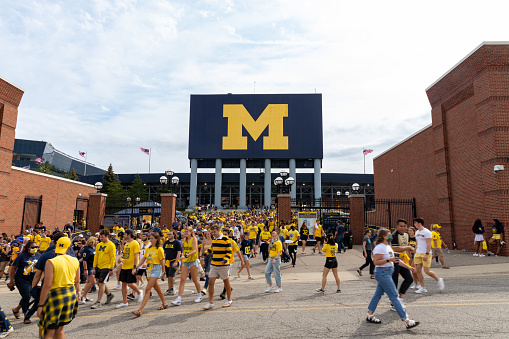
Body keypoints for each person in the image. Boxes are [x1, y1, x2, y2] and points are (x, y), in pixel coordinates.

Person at [365, 228, 419, 329]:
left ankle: (370, 315)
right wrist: (388, 259)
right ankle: (406, 320)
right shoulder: (380, 247)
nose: (391, 236)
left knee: (378, 294)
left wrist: (409, 267)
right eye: (389, 234)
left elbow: (396, 260)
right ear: (384, 236)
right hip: (382, 273)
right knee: (394, 296)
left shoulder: (388, 247)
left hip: (387, 273)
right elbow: (376, 262)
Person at [37, 236, 80, 339]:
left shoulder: (51, 262)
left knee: (49, 330)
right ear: (69, 246)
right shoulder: (75, 260)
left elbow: (47, 285)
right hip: (70, 294)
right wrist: (78, 293)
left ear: (55, 245)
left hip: (56, 296)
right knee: (60, 328)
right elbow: (77, 281)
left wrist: (40, 305)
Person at [132, 233, 167, 317]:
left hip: (156, 268)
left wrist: (164, 272)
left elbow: (162, 261)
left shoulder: (159, 249)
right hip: (149, 268)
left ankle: (140, 310)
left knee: (148, 289)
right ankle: (165, 303)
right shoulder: (148, 248)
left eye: (152, 238)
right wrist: (136, 267)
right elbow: (143, 259)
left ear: (156, 239)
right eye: (150, 238)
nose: (150, 240)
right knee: (157, 288)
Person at [7, 240, 41, 324]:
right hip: (21, 279)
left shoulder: (39, 255)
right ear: (28, 248)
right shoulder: (22, 256)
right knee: (26, 296)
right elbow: (13, 268)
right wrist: (11, 281)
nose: (35, 249)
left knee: (28, 297)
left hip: (33, 280)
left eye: (36, 247)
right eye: (33, 247)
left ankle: (16, 309)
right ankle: (26, 315)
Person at [201, 225, 233, 310]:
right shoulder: (214, 239)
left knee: (226, 282)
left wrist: (225, 259)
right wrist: (205, 254)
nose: (213, 234)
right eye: (212, 233)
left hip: (223, 265)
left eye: (214, 232)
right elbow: (212, 249)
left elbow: (229, 251)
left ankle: (229, 299)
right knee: (211, 282)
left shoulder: (226, 239)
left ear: (219, 230)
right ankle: (210, 302)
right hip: (214, 264)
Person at [172, 227, 202, 306]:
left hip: (192, 261)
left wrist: (185, 256)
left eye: (187, 232)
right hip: (185, 261)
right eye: (185, 232)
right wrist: (182, 256)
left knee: (195, 279)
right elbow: (184, 250)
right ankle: (179, 298)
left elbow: (194, 250)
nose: (186, 233)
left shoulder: (194, 239)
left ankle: (199, 294)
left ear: (191, 232)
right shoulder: (184, 240)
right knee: (182, 280)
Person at [413, 218, 444, 294]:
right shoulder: (416, 232)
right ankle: (423, 287)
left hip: (425, 253)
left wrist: (427, 254)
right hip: (418, 253)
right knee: (418, 270)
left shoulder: (427, 232)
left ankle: (438, 280)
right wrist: (415, 251)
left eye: (415, 223)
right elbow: (417, 243)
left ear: (419, 223)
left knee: (427, 271)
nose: (414, 224)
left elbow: (429, 244)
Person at [116, 229, 143, 308]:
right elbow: (126, 254)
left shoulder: (135, 243)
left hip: (131, 266)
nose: (124, 235)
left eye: (125, 234)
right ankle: (125, 302)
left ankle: (139, 291)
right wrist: (121, 258)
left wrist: (134, 267)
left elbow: (136, 256)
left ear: (129, 234)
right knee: (123, 284)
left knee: (130, 283)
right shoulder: (127, 244)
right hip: (125, 265)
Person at [390, 219, 415, 302]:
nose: (403, 228)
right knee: (394, 282)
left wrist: (409, 253)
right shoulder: (393, 235)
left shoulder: (406, 234)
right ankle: (393, 302)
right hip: (394, 261)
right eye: (401, 226)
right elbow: (396, 248)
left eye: (404, 226)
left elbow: (406, 244)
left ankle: (399, 297)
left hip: (402, 260)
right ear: (397, 226)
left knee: (409, 279)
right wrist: (409, 248)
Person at [91, 229, 116, 309]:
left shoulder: (111, 245)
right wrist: (94, 267)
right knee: (99, 283)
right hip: (99, 266)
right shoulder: (99, 245)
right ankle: (109, 295)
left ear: (107, 236)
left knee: (101, 283)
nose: (100, 238)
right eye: (100, 237)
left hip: (106, 267)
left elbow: (113, 257)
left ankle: (98, 302)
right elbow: (96, 256)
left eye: (102, 237)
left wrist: (111, 268)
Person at [162, 229, 182, 296]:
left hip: (174, 260)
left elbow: (179, 252)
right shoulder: (166, 242)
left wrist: (176, 262)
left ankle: (172, 288)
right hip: (167, 261)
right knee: (168, 275)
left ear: (174, 235)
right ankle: (169, 288)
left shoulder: (177, 242)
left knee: (171, 274)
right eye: (168, 234)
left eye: (170, 234)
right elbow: (163, 251)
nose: (169, 235)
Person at [79, 236, 96, 304]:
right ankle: (82, 297)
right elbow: (84, 260)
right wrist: (85, 269)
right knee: (92, 282)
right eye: (96, 241)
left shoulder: (93, 248)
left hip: (92, 266)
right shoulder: (87, 249)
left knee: (89, 282)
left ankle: (84, 296)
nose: (97, 242)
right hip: (89, 267)